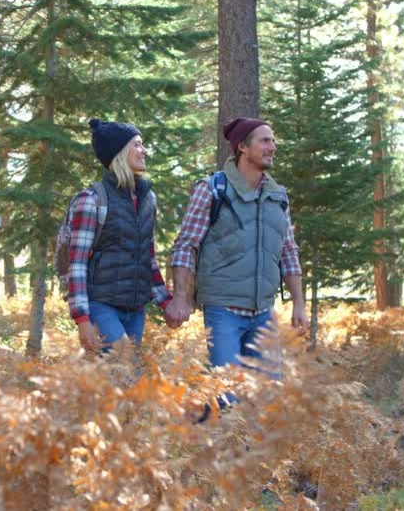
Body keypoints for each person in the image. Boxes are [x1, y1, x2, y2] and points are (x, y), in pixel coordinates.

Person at [165, 117, 310, 416]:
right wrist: (180, 297)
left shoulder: (278, 196)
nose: (273, 146)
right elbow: (186, 245)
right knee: (225, 399)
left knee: (267, 400)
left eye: (273, 140)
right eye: (265, 140)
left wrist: (299, 304)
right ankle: (213, 445)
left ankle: (245, 449)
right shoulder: (212, 189)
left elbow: (288, 251)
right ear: (243, 147)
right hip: (223, 312)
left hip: (264, 313)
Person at [66, 118, 173, 353]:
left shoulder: (148, 198)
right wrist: (82, 318)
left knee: (122, 373)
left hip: (136, 310)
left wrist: (165, 301)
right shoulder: (92, 200)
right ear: (120, 152)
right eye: (137, 144)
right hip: (101, 306)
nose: (144, 151)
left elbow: (148, 257)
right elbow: (77, 264)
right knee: (125, 365)